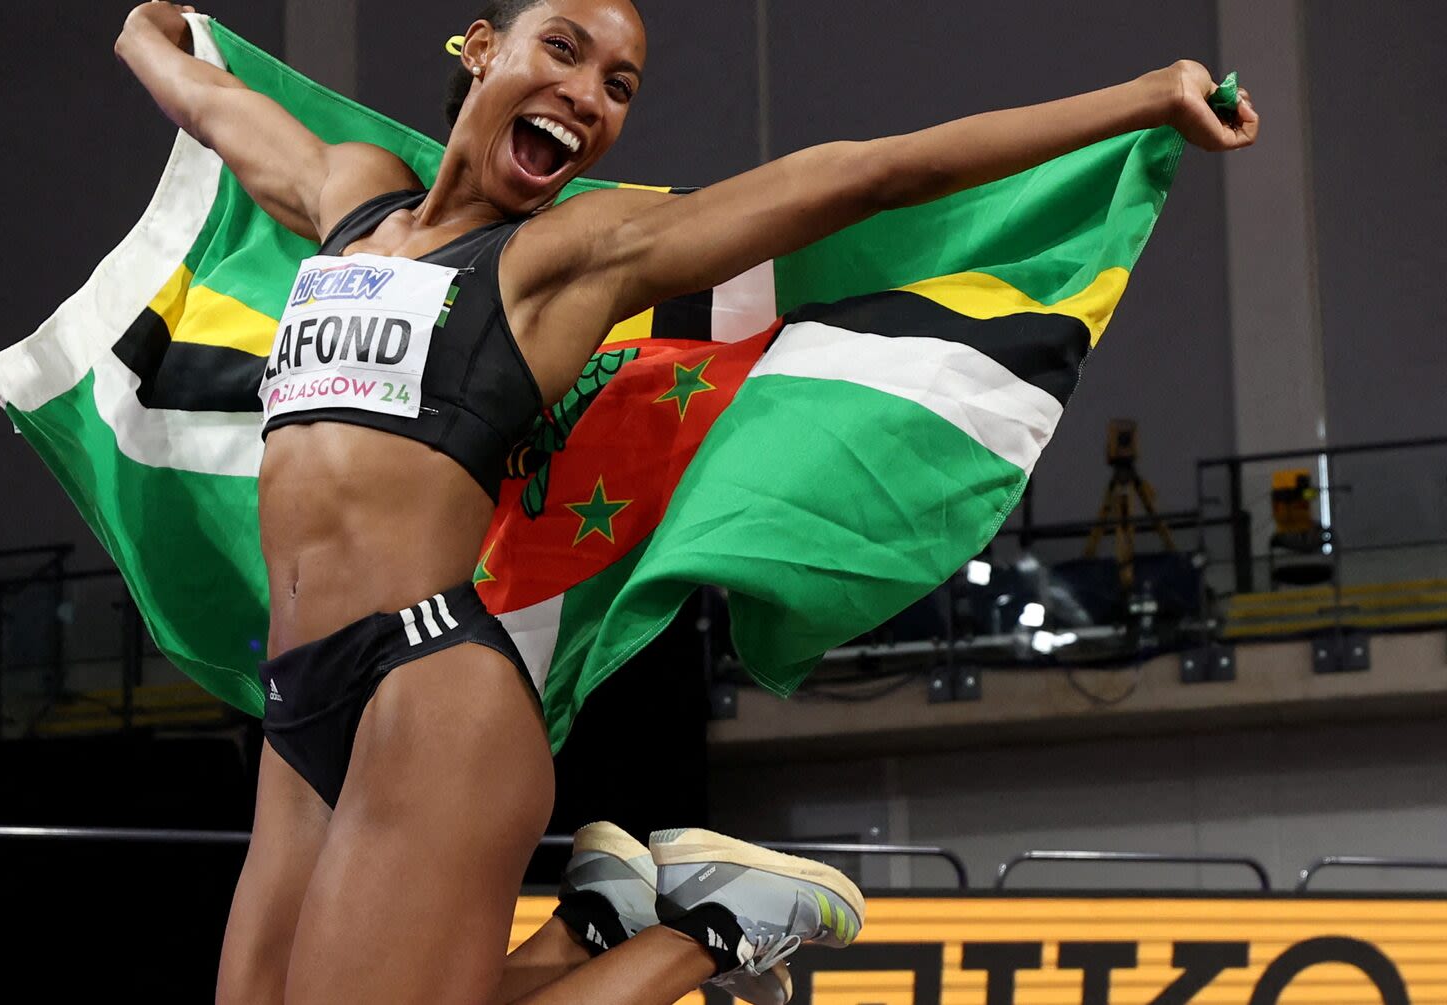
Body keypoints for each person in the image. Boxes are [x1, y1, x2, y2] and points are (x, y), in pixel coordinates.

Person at [113, 2, 1258, 1002]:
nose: (587, 95)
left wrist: (1147, 99)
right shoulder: (354, 197)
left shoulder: (569, 260)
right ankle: (593, 927)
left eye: (618, 86)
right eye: (561, 49)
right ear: (478, 49)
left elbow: (869, 172)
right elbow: (214, 110)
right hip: (301, 695)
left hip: (429, 688)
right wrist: (146, 36)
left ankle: (713, 930)